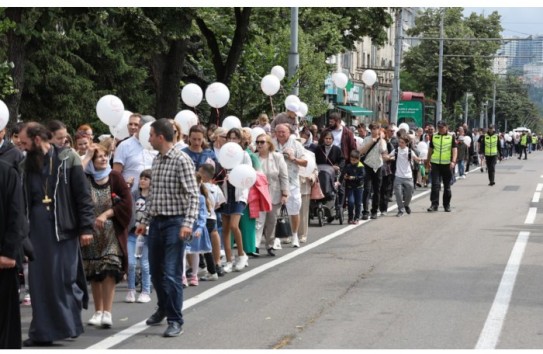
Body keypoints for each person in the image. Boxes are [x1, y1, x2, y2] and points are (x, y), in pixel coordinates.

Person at [18, 122, 94, 347]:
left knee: (63, 280)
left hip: (63, 229)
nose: (22, 146)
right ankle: (42, 333)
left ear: (37, 140)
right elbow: (22, 202)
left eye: (24, 142)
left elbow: (83, 196)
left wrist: (86, 227)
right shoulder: (25, 165)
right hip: (37, 232)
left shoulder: (67, 159)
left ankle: (68, 326)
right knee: (39, 283)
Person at [135, 118, 199, 338]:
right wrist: (143, 221)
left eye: (151, 135)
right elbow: (153, 196)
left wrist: (187, 223)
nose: (149, 139)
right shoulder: (157, 161)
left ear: (160, 137)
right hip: (157, 223)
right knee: (155, 271)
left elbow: (193, 195)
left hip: (176, 223)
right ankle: (163, 307)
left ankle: (175, 319)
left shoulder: (182, 160)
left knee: (172, 273)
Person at [83, 145, 132, 328]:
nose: (103, 159)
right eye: (99, 157)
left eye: (105, 156)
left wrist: (106, 214)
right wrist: (86, 156)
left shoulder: (115, 177)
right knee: (95, 271)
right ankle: (97, 311)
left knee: (110, 269)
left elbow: (127, 203)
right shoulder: (86, 178)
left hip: (111, 230)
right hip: (92, 232)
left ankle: (107, 312)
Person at [0, 160, 26, 349]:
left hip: (3, 258)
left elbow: (16, 214)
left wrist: (9, 252)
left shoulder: (6, 172)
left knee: (4, 320)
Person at [220, 128, 251, 272]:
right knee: (225, 228)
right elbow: (219, 173)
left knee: (234, 225)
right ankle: (228, 260)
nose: (232, 141)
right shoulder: (224, 154)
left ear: (240, 140)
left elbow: (249, 175)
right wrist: (223, 179)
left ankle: (241, 254)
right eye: (230, 138)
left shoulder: (244, 155)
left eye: (235, 138)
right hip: (226, 193)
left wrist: (235, 177)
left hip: (239, 194)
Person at [272, 123, 307, 247]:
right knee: (275, 210)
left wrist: (292, 158)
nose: (281, 134)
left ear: (289, 133)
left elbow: (305, 162)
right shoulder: (271, 143)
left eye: (283, 132)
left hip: (292, 181)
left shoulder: (296, 144)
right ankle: (275, 237)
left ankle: (295, 235)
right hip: (275, 182)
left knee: (294, 209)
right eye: (278, 132)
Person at [255, 133, 289, 256]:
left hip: (274, 193)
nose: (259, 144)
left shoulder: (277, 157)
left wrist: (285, 193)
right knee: (258, 221)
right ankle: (255, 245)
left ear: (269, 144)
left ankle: (269, 244)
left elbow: (284, 176)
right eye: (257, 142)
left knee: (271, 221)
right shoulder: (253, 157)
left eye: (262, 142)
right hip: (258, 194)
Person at [126, 169, 152, 303]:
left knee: (145, 264)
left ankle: (146, 291)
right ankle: (131, 290)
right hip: (133, 234)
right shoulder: (134, 194)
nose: (142, 180)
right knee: (131, 263)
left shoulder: (154, 197)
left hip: (146, 236)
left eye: (146, 179)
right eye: (141, 178)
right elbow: (128, 204)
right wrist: (128, 186)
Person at [113, 113, 156, 192]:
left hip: (152, 195)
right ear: (140, 128)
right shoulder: (124, 146)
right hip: (130, 195)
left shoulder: (156, 147)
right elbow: (116, 174)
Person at [183, 175, 212, 287]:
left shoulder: (200, 198)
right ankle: (183, 276)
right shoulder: (183, 196)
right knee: (183, 252)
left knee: (195, 252)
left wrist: (200, 227)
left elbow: (202, 214)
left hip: (195, 228)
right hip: (184, 226)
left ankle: (194, 275)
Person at [198, 163, 226, 279]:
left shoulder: (199, 187)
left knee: (202, 243)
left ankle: (207, 267)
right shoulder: (215, 188)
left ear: (203, 174)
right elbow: (220, 204)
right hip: (212, 216)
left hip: (201, 217)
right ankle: (217, 264)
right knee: (212, 238)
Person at [425, 121, 457, 212]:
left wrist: (453, 161)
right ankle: (434, 205)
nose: (440, 129)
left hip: (447, 164)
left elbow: (454, 150)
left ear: (446, 127)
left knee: (447, 186)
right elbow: (430, 149)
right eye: (439, 127)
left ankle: (446, 205)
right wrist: (428, 160)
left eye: (442, 127)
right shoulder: (434, 136)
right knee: (435, 185)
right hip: (435, 164)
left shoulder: (451, 136)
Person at [358, 123, 388, 220]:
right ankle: (365, 212)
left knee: (377, 190)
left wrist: (381, 139)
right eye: (373, 129)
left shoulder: (382, 140)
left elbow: (383, 150)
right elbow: (361, 151)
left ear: (379, 129)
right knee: (367, 189)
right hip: (367, 165)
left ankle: (374, 211)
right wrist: (372, 141)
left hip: (378, 166)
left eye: (376, 129)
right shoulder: (366, 139)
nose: (374, 131)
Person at [315, 129, 345, 221]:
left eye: (330, 138)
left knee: (338, 190)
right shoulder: (319, 149)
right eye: (326, 138)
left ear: (332, 139)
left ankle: (337, 207)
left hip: (332, 173)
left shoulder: (337, 149)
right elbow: (314, 159)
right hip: (320, 173)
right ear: (323, 139)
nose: (328, 140)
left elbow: (342, 159)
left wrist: (338, 166)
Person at [389, 135, 422, 217]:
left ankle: (406, 205)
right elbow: (389, 156)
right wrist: (385, 157)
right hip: (398, 176)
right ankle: (401, 209)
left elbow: (415, 158)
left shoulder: (409, 151)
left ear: (406, 143)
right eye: (399, 142)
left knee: (410, 193)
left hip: (408, 176)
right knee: (398, 194)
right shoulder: (396, 150)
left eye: (402, 142)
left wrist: (419, 159)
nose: (400, 144)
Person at [340, 150, 364, 224]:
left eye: (354, 160)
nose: (352, 161)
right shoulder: (348, 166)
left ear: (358, 159)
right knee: (350, 202)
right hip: (350, 187)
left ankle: (357, 217)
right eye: (351, 160)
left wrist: (353, 177)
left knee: (358, 203)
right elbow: (343, 174)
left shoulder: (361, 166)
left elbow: (362, 176)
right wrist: (344, 177)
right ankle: (350, 217)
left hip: (359, 187)